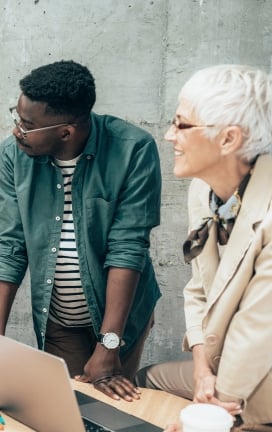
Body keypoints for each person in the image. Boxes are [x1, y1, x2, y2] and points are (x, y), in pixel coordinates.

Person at [0, 60, 162, 402]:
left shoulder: (133, 149)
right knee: (66, 410)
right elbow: (10, 245)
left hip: (121, 322)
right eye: (16, 117)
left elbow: (127, 248)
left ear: (66, 132)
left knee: (113, 410)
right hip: (60, 321)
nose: (16, 130)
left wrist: (110, 345)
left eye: (27, 124)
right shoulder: (13, 155)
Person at [135, 65, 272, 431]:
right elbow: (198, 287)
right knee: (144, 380)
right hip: (223, 361)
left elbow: (257, 334)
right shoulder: (203, 188)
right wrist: (200, 369)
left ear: (228, 139)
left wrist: (210, 410)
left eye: (182, 125)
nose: (168, 135)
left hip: (262, 379)